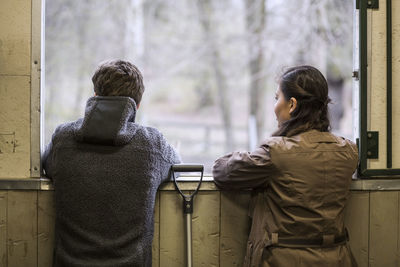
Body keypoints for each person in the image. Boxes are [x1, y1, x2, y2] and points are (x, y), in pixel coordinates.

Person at [213, 65, 358, 267]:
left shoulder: (276, 153)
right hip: (339, 258)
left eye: (276, 98)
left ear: (291, 104)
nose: (274, 106)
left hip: (284, 260)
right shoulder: (348, 151)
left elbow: (222, 172)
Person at [42, 59, 181, 267]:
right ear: (137, 105)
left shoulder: (63, 138)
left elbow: (48, 165)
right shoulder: (152, 144)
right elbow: (176, 168)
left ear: (95, 96)